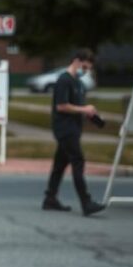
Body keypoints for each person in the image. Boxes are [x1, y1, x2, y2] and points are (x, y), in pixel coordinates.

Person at [42, 48, 105, 216]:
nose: (86, 71)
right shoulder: (64, 80)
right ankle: (86, 202)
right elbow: (61, 106)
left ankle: (50, 198)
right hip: (65, 129)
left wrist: (90, 114)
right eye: (84, 67)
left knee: (60, 164)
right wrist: (84, 108)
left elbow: (77, 108)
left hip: (74, 129)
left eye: (88, 69)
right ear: (76, 61)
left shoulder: (78, 83)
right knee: (78, 161)